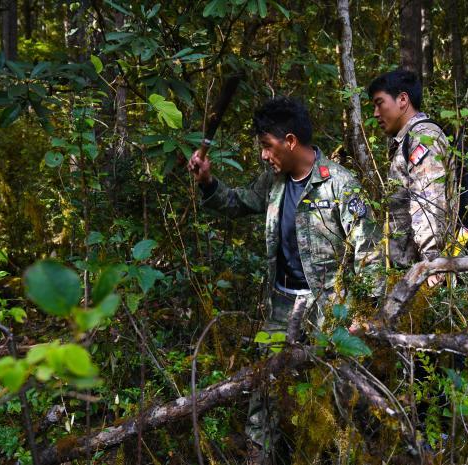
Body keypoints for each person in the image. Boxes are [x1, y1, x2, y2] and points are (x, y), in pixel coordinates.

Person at [188, 96, 383, 463]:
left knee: (340, 396)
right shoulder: (273, 182)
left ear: (290, 141)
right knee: (265, 391)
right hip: (281, 305)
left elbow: (368, 248)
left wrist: (364, 314)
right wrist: (208, 182)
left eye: (267, 145)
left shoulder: (339, 184)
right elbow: (238, 203)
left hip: (330, 310)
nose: (264, 155)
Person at [367, 69, 451, 286]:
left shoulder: (423, 137)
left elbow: (429, 202)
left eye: (379, 103)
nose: (375, 113)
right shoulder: (406, 140)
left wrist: (432, 263)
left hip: (425, 273)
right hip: (410, 270)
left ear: (403, 100)